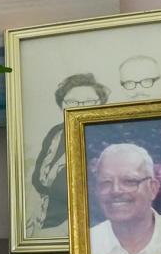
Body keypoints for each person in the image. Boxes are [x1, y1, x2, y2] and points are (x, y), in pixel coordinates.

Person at [29, 73, 110, 234]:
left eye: (89, 101)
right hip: (42, 223)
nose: (80, 107)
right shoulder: (56, 133)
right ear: (62, 105)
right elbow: (38, 180)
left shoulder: (105, 139)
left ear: (100, 104)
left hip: (84, 228)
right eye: (72, 102)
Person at [88, 143, 161, 254]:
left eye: (129, 181)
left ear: (153, 188)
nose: (116, 191)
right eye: (106, 182)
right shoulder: (86, 244)